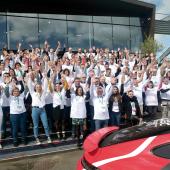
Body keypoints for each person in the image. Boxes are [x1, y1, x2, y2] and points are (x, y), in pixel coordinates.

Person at [27, 72, 52, 145]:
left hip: (42, 110)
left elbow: (46, 84)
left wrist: (44, 76)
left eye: (39, 87)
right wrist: (30, 75)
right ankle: (36, 138)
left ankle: (48, 137)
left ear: (41, 87)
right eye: (37, 87)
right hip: (35, 110)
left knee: (45, 124)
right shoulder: (32, 93)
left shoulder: (43, 92)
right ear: (35, 88)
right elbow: (29, 85)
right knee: (36, 125)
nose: (38, 88)